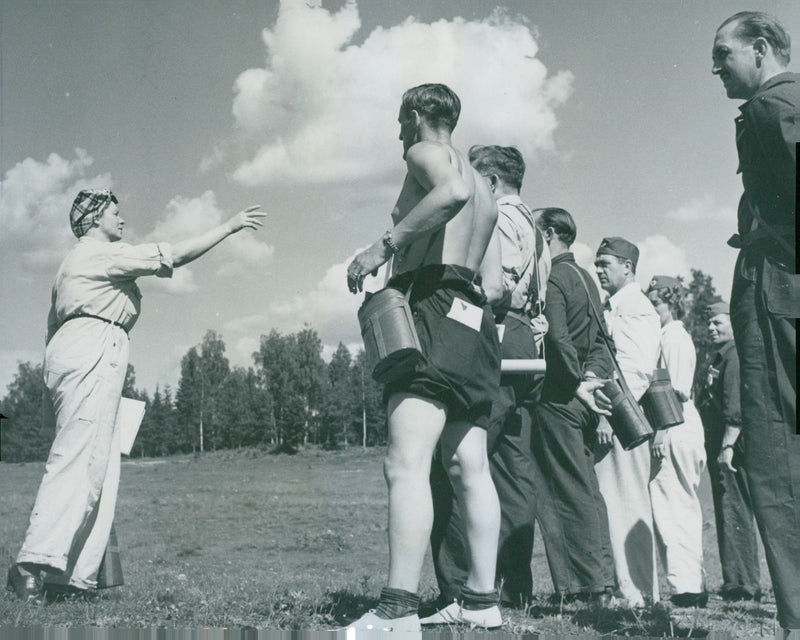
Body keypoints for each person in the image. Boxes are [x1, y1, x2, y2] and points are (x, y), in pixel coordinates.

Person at [6, 190, 265, 603]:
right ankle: (31, 566)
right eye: (114, 212)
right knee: (80, 461)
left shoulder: (73, 263)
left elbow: (50, 329)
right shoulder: (99, 253)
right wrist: (230, 226)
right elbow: (173, 256)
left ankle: (70, 577)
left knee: (98, 467)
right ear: (93, 220)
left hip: (86, 349)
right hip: (92, 347)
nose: (122, 219)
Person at [345, 84, 503, 632]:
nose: (398, 134)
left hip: (432, 301)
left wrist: (382, 247)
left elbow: (450, 191)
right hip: (473, 318)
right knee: (469, 466)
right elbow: (497, 282)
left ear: (415, 115)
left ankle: (396, 610)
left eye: (398, 121)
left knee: (405, 461)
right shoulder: (488, 183)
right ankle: (483, 603)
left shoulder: (427, 154)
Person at [429, 145, 556, 608]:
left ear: (492, 182)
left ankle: (463, 589)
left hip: (496, 334)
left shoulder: (497, 218)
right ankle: (513, 586)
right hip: (526, 341)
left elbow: (492, 286)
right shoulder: (537, 229)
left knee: (461, 458)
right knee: (512, 468)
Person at [712, 11, 799, 632]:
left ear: (761, 48)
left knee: (774, 455)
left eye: (724, 54)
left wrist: (770, 239)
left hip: (778, 297)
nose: (716, 68)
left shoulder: (775, 109)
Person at [531, 208, 615, 603]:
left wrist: (576, 380)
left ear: (548, 234)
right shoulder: (585, 278)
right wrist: (592, 379)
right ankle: (602, 581)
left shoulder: (553, 277)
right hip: (582, 397)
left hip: (559, 398)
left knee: (562, 490)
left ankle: (583, 587)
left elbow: (559, 339)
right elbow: (601, 343)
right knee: (586, 488)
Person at [591, 236, 660, 607]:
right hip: (614, 414)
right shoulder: (616, 305)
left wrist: (606, 415)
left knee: (628, 502)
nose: (598, 270)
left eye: (605, 263)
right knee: (613, 500)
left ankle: (639, 594)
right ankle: (627, 590)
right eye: (598, 263)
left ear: (627, 267)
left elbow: (635, 372)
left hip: (624, 418)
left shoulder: (635, 306)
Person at [645, 276, 707, 608]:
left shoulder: (675, 338)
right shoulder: (666, 336)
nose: (653, 310)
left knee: (675, 505)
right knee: (678, 505)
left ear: (672, 304)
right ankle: (690, 582)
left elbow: (677, 390)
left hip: (675, 422)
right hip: (676, 422)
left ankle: (687, 588)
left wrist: (662, 431)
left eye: (656, 303)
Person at [696, 300, 760, 602]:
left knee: (734, 509)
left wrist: (727, 446)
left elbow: (735, 406)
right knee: (726, 509)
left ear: (733, 323)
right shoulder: (720, 357)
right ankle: (735, 580)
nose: (711, 327)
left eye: (718, 323)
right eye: (709, 323)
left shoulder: (733, 358)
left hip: (730, 446)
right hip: (721, 443)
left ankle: (743, 584)